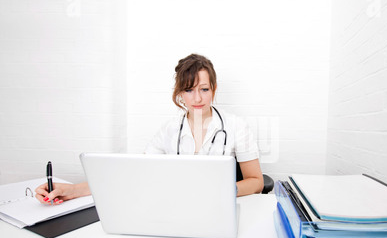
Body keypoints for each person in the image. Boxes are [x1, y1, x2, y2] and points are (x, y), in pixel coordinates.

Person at [35, 54, 264, 205]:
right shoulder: (169, 130)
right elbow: (134, 174)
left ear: (214, 89)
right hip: (176, 206)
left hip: (220, 207)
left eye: (204, 89)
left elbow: (256, 181)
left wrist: (221, 192)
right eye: (189, 90)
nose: (197, 98)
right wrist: (73, 190)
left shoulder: (235, 126)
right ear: (180, 94)